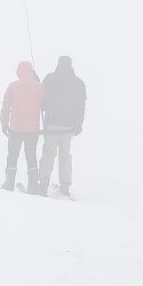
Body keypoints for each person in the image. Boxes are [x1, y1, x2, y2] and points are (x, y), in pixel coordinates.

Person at [38, 56, 86, 197]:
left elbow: (43, 102)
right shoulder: (78, 83)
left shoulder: (49, 79)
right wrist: (79, 124)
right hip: (68, 127)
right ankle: (65, 185)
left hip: (52, 124)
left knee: (48, 154)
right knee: (65, 155)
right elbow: (81, 107)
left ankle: (43, 183)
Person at [0, 61, 44, 192]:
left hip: (15, 128)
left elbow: (6, 106)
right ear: (31, 71)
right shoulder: (39, 87)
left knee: (12, 154)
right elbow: (44, 104)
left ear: (18, 71)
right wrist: (37, 81)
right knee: (31, 155)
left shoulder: (13, 86)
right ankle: (33, 185)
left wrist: (4, 123)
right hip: (33, 129)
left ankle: (9, 182)